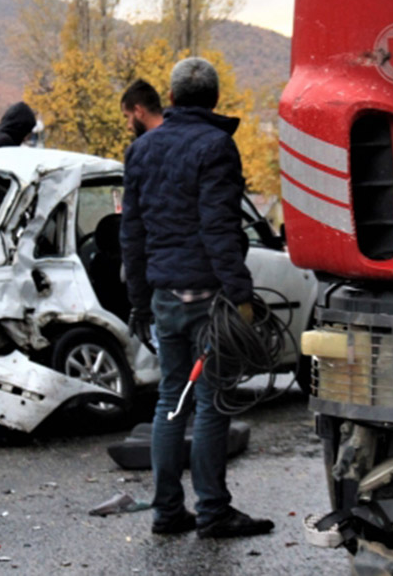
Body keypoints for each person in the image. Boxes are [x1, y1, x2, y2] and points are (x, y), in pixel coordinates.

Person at [120, 58, 274, 539]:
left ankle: (167, 512)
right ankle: (213, 511)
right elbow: (219, 228)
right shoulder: (216, 145)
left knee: (171, 399)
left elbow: (132, 233)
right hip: (209, 299)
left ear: (170, 97)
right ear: (214, 98)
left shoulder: (141, 150)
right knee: (210, 402)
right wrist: (241, 294)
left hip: (164, 295)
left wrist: (139, 300)